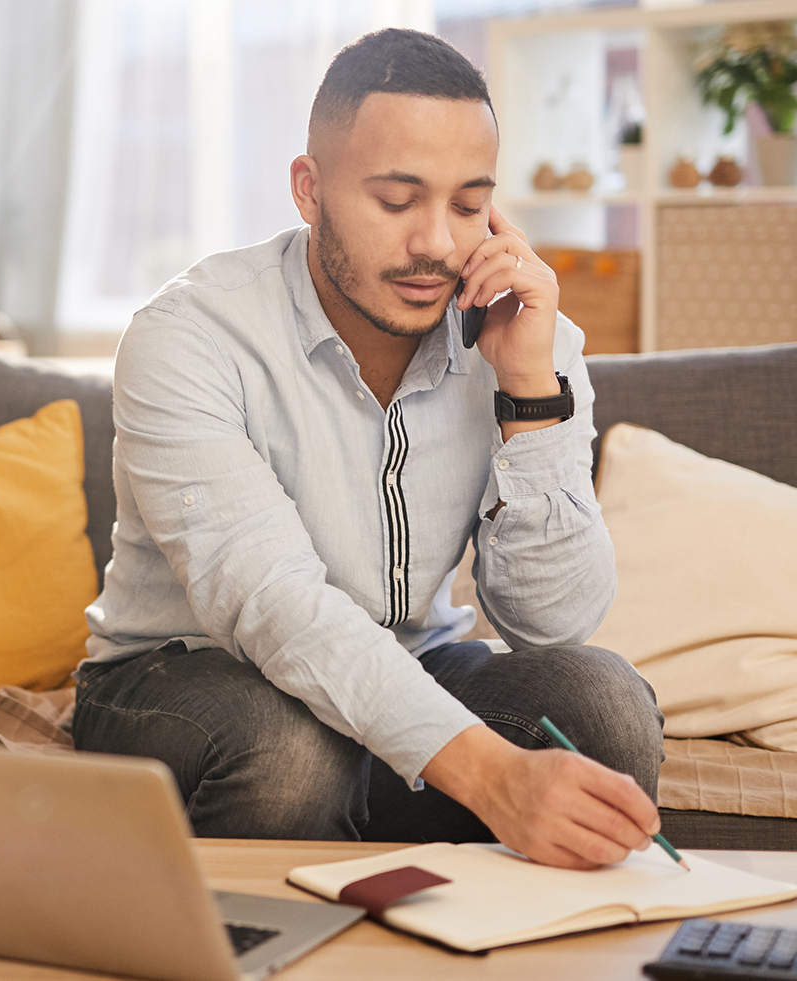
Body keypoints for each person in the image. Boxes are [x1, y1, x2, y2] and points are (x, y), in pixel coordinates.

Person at [73, 28, 664, 872]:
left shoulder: (530, 339)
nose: (436, 243)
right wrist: (493, 777)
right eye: (397, 201)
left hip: (406, 667)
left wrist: (528, 392)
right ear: (309, 191)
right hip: (185, 684)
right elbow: (275, 606)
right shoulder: (190, 337)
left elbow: (555, 622)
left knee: (603, 705)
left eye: (468, 206)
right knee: (289, 753)